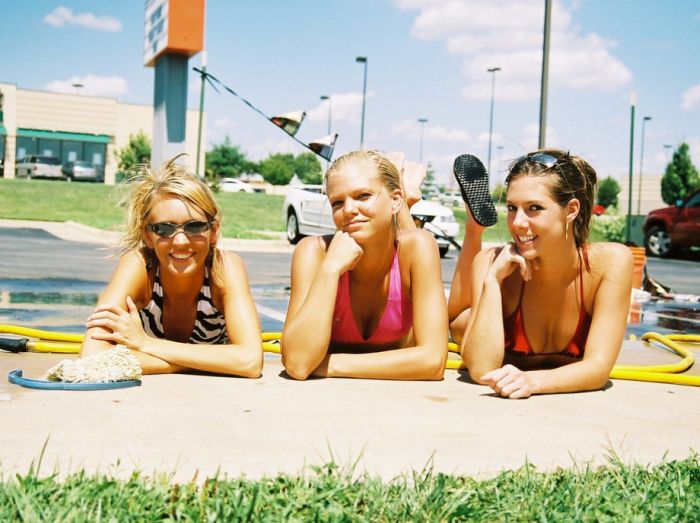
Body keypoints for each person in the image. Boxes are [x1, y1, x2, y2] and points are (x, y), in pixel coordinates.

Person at [448, 150, 633, 398]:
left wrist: (533, 382)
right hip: (476, 312)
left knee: (464, 321)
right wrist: (492, 281)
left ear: (571, 210)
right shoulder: (491, 261)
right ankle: (474, 228)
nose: (517, 223)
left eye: (534, 208)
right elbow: (482, 370)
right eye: (512, 208)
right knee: (456, 322)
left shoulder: (610, 263)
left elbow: (598, 369)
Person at [80, 158, 263, 377]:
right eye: (164, 229)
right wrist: (206, 361)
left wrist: (146, 344)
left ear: (213, 231)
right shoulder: (138, 266)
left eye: (194, 226)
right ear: (148, 236)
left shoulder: (225, 269)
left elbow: (250, 361)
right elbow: (93, 357)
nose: (181, 241)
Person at [281, 150, 448, 380]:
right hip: (329, 406)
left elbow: (433, 362)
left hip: (401, 406)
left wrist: (328, 365)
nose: (348, 210)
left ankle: (405, 193)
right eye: (337, 202)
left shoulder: (418, 247)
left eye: (363, 196)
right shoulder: (313, 252)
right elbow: (298, 364)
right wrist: (330, 270)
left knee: (409, 237)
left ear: (394, 199)